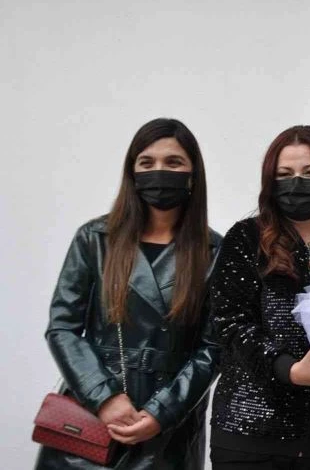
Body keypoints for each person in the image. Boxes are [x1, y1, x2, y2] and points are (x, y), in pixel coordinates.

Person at [35, 118, 223, 469]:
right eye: (147, 163)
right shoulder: (95, 239)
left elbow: (214, 347)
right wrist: (104, 397)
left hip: (168, 426)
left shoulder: (214, 251)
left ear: (193, 175)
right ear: (132, 173)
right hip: (90, 418)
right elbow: (62, 327)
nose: (159, 172)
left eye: (173, 162)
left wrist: (162, 412)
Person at [209, 125, 310, 470]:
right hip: (252, 437)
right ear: (270, 181)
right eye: (285, 175)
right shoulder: (246, 238)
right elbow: (230, 324)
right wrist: (290, 369)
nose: (297, 183)